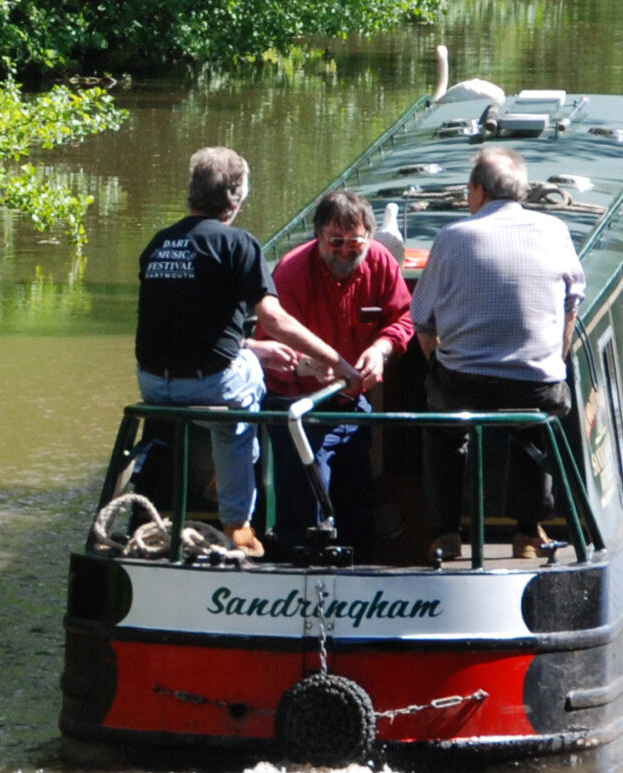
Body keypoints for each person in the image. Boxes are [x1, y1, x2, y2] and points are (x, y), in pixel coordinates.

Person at [135, 147, 364, 557]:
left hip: (152, 385)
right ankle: (238, 520)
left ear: (192, 193)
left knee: (246, 362)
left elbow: (184, 324)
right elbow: (273, 319)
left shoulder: (157, 243)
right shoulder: (238, 243)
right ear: (237, 197)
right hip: (208, 385)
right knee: (248, 395)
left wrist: (256, 347)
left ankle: (227, 478)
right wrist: (336, 360)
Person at [411, 146, 585, 561]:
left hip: (463, 384)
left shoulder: (452, 237)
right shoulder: (555, 230)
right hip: (535, 385)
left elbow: (421, 320)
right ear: (521, 192)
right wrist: (552, 361)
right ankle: (527, 533)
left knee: (443, 428)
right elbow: (571, 304)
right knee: (534, 426)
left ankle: (446, 535)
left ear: (476, 191)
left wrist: (440, 362)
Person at [257, 189, 415, 545]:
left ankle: (359, 580)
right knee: (306, 512)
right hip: (300, 409)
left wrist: (381, 348)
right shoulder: (291, 273)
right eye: (335, 241)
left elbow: (403, 316)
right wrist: (303, 366)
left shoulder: (382, 263)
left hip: (353, 405)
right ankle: (295, 580)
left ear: (370, 238)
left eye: (354, 242)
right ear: (318, 236)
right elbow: (267, 347)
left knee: (357, 503)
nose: (345, 250)